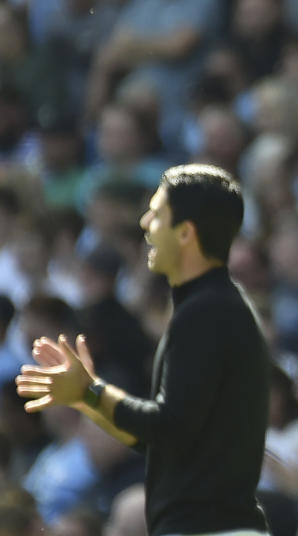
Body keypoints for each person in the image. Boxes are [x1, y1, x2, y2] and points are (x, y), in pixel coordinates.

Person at [16, 164, 272, 536]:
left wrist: (90, 392)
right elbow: (159, 437)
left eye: (157, 213)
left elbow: (167, 428)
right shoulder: (208, 307)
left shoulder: (207, 312)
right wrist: (86, 397)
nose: (145, 223)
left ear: (185, 233)